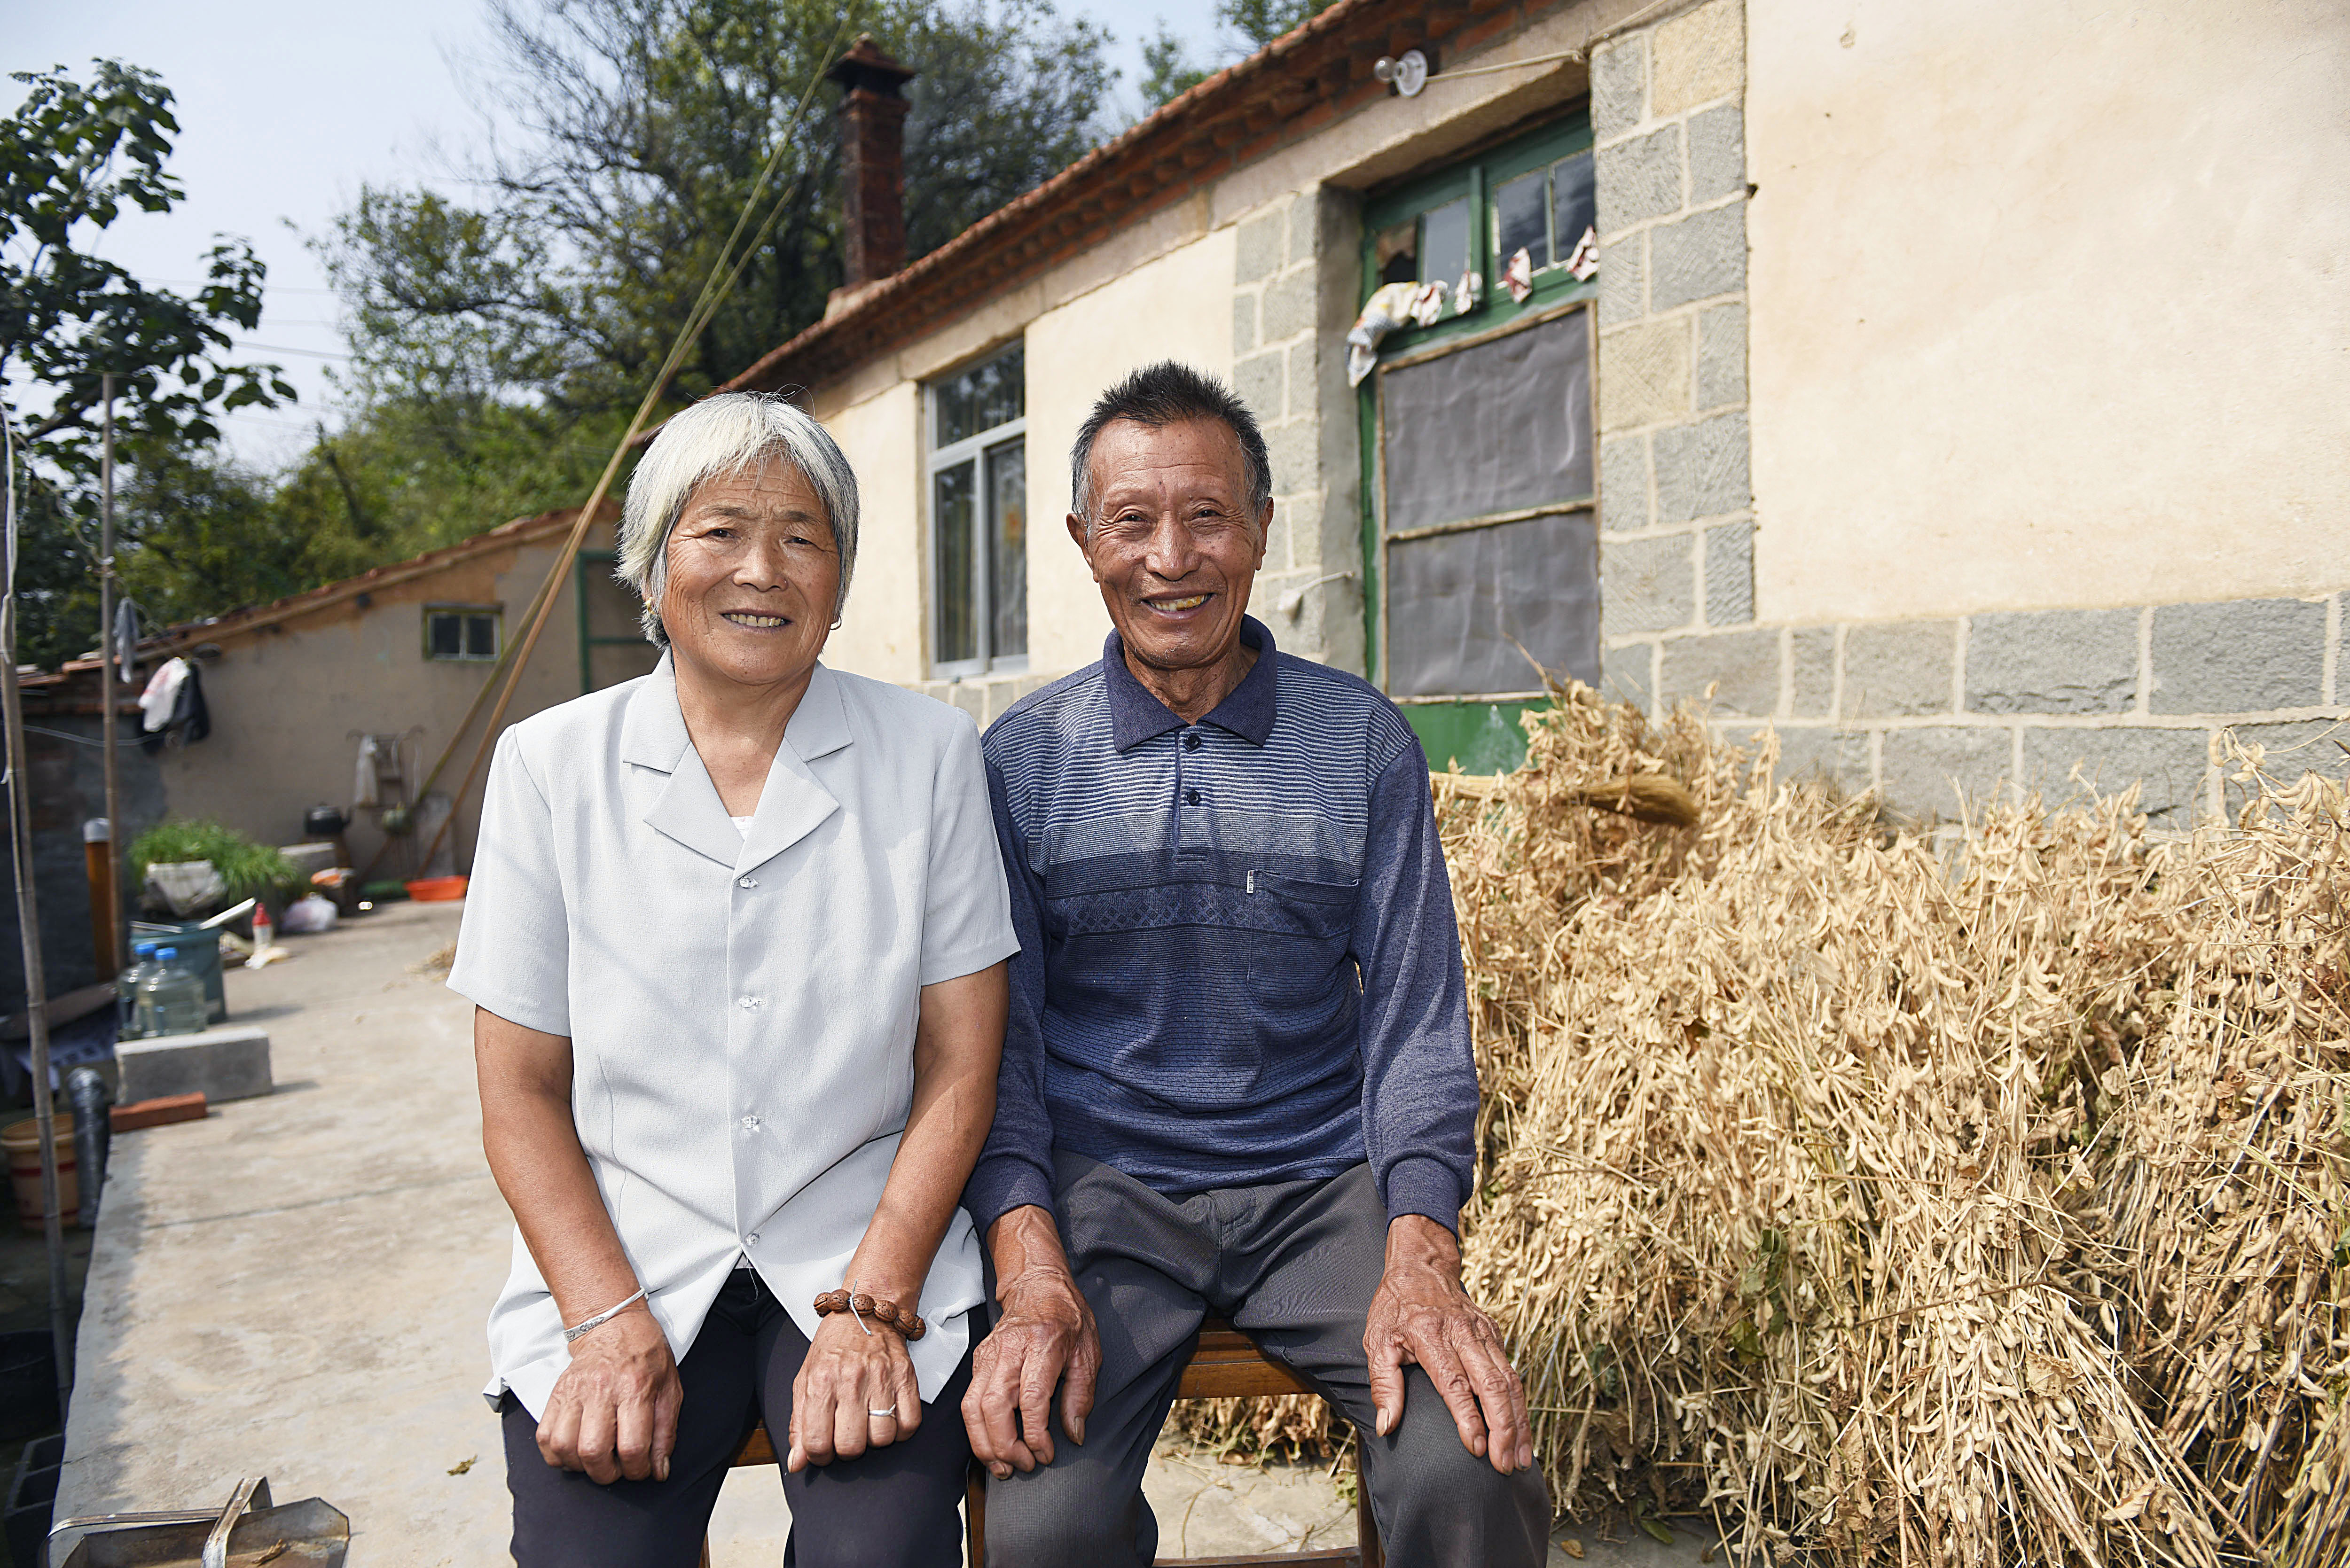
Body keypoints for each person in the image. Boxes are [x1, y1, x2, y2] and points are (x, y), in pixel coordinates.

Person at [960, 361, 1551, 1565]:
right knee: (1043, 1522)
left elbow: (1419, 1026)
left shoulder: (1361, 744)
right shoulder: (1021, 762)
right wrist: (1027, 1266)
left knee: (1465, 1461)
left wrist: (1420, 1251)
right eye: (1132, 521)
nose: (1171, 556)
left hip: (1322, 1181)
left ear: (1262, 530)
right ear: (1083, 541)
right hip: (1104, 1190)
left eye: (1207, 516)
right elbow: (996, 1054)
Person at [450, 392, 1018, 1567]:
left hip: (859, 1243)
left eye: (803, 536)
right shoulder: (551, 766)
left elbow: (961, 1064)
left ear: (841, 577)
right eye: (719, 531)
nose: (762, 568)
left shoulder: (929, 753)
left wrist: (873, 1306)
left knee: (881, 1553)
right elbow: (519, 1094)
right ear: (653, 567)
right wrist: (604, 1323)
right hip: (629, 1244)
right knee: (591, 1555)